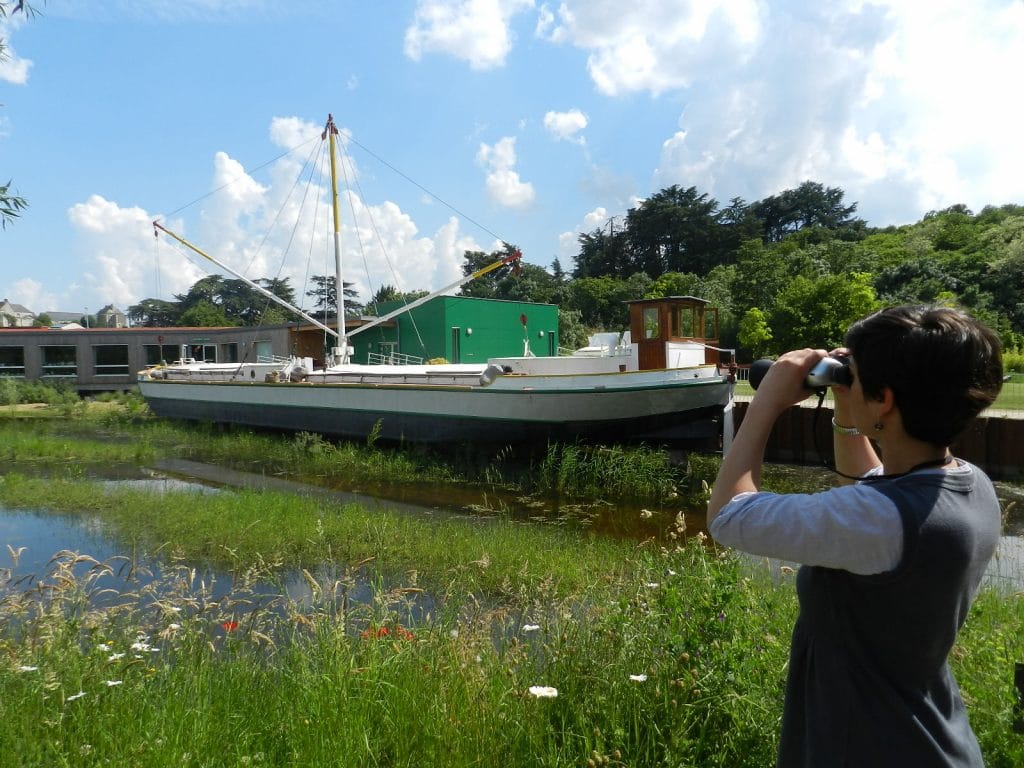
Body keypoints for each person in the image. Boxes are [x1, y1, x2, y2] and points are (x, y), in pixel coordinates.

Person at [707, 305, 1004, 767]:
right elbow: (870, 488)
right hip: (929, 738)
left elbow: (728, 514)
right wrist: (849, 408)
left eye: (854, 375)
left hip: (868, 745)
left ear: (884, 399)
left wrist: (765, 401)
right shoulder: (970, 485)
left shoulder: (881, 520)